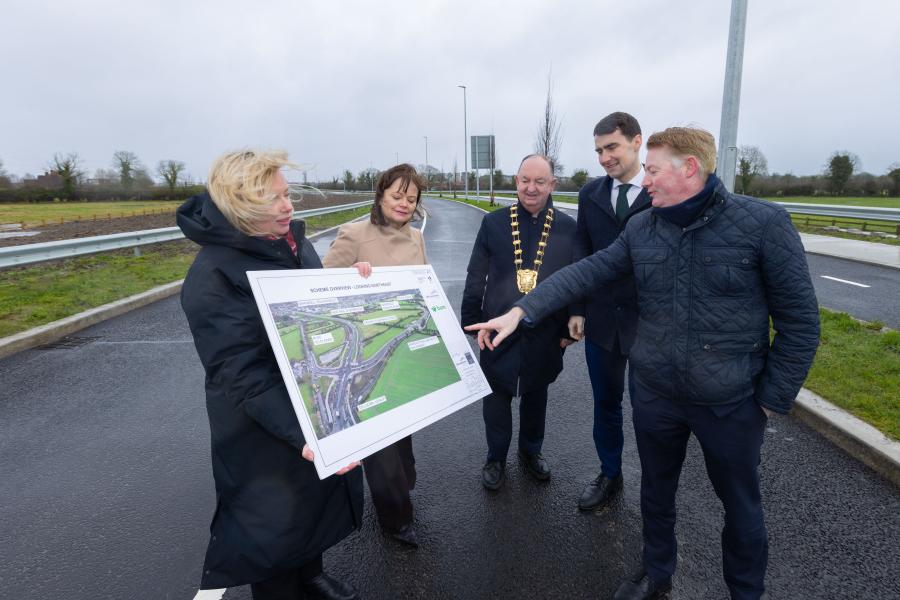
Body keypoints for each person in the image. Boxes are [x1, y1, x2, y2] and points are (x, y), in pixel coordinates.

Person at [465, 128, 820, 600]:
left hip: (731, 401)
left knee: (740, 507)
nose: (645, 180)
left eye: (652, 170)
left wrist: (770, 400)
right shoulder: (643, 228)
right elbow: (584, 273)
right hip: (656, 394)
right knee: (655, 493)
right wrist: (520, 311)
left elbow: (800, 322)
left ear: (688, 168)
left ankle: (745, 591)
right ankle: (657, 574)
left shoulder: (762, 224)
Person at [178, 150, 364, 600]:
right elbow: (242, 374)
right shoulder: (213, 276)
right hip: (260, 425)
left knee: (311, 503)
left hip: (305, 400)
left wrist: (356, 290)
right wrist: (303, 433)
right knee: (273, 521)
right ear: (241, 206)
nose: (288, 207)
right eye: (274, 200)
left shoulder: (291, 245)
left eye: (287, 195)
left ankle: (310, 573)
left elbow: (318, 316)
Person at [323, 163, 427, 548]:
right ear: (380, 195)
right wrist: (351, 275)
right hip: (363, 350)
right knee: (379, 442)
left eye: (411, 199)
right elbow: (318, 288)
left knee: (402, 428)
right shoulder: (354, 234)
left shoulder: (417, 238)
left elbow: (424, 287)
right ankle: (396, 520)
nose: (404, 204)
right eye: (397, 196)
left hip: (399, 345)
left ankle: (401, 487)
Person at [461, 154, 577, 491]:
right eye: (525, 180)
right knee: (496, 398)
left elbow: (576, 279)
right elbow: (475, 275)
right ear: (516, 181)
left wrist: (572, 322)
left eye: (540, 182)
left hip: (545, 330)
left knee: (536, 394)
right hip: (497, 327)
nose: (531, 188)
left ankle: (531, 452)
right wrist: (471, 321)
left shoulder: (568, 227)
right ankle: (496, 457)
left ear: (552, 185)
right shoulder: (494, 223)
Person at [569, 111, 652, 511]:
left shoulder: (659, 193)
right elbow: (582, 252)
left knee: (650, 410)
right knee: (606, 403)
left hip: (649, 324)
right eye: (599, 150)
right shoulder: (591, 194)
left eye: (612, 147)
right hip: (601, 320)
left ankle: (655, 486)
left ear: (637, 141)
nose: (604, 157)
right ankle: (610, 473)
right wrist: (578, 308)